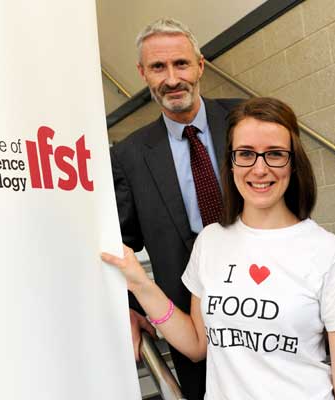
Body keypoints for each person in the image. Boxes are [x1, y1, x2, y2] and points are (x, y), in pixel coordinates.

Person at [104, 97, 335, 400]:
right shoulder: (210, 241)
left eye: (274, 154)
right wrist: (140, 284)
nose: (259, 169)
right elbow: (196, 345)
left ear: (294, 163)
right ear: (230, 162)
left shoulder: (329, 253)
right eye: (245, 154)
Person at [110, 17, 242, 399]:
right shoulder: (129, 155)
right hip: (186, 315)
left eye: (181, 64)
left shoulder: (247, 118)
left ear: (200, 65)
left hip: (264, 293)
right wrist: (132, 307)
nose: (171, 79)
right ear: (142, 73)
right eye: (158, 67)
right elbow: (124, 240)